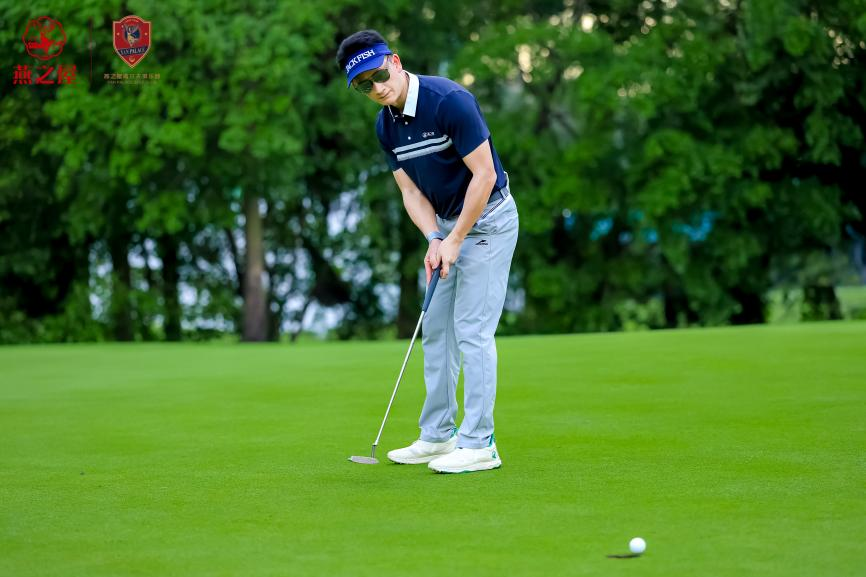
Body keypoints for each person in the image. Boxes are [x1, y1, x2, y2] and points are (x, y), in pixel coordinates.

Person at [337, 30, 519, 473]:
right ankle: (438, 435)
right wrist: (435, 238)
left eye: (380, 75)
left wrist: (456, 238)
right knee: (436, 331)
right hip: (446, 228)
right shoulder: (385, 126)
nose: (377, 88)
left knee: (472, 330)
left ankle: (480, 444)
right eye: (364, 85)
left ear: (395, 62)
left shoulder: (448, 101)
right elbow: (410, 192)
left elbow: (484, 176)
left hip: (489, 222)